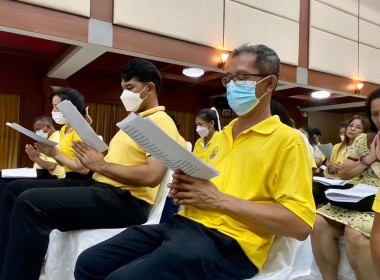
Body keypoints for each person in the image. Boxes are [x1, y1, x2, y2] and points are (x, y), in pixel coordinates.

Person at [74, 44, 316, 280]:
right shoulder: (220, 138)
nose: (232, 86)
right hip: (183, 225)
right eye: (228, 79)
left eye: (242, 77)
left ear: (270, 83)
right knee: (89, 263)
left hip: (230, 244)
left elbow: (299, 224)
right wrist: (184, 188)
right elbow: (201, 187)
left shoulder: (288, 141)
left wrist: (218, 200)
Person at [0, 59, 180, 280]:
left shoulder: (160, 121)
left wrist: (100, 164)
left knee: (30, 203)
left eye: (130, 88)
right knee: (15, 191)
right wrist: (97, 161)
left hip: (127, 201)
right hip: (105, 190)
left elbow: (152, 176)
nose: (124, 94)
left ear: (150, 88)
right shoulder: (134, 121)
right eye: (122, 88)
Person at [311, 89, 380, 280]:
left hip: (376, 205)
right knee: (316, 221)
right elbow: (345, 172)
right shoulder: (364, 140)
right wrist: (370, 158)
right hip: (358, 198)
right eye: (375, 114)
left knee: (354, 232)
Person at [0, 115, 65, 195]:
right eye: (35, 131)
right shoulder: (48, 140)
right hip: (40, 174)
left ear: (48, 127)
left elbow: (51, 166)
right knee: (3, 176)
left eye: (38, 130)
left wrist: (35, 158)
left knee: (9, 183)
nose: (37, 133)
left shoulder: (55, 139)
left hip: (51, 177)